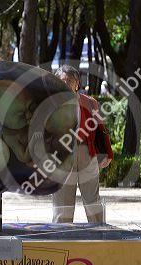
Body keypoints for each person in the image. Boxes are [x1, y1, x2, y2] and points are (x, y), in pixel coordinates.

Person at [52, 65, 113, 223]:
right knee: (62, 204)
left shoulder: (90, 103)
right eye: (62, 81)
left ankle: (99, 235)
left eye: (69, 81)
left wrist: (108, 153)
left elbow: (100, 129)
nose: (65, 84)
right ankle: (61, 236)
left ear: (77, 84)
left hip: (87, 154)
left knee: (93, 201)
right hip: (62, 158)